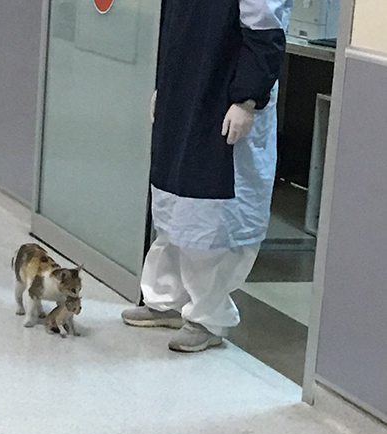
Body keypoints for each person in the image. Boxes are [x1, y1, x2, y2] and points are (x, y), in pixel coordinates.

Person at [123, 0, 293, 352]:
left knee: (209, 216)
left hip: (224, 97)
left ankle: (208, 318)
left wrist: (247, 98)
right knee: (173, 204)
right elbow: (175, 26)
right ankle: (166, 300)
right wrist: (165, 85)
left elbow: (265, 31)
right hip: (184, 90)